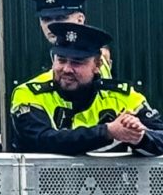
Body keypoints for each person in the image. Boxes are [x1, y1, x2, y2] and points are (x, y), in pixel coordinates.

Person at [10, 22, 161, 156]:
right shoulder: (28, 94)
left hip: (113, 187)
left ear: (97, 65)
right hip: (44, 186)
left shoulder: (123, 96)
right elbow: (41, 141)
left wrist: (139, 136)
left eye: (77, 62)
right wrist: (107, 132)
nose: (67, 69)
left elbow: (160, 135)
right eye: (61, 60)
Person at [29, 0, 110, 77]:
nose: (52, 25)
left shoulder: (92, 58)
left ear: (80, 20)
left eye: (61, 18)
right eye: (46, 19)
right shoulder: (43, 57)